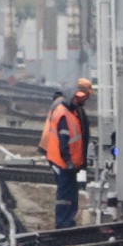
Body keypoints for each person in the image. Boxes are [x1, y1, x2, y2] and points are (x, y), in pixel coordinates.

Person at [46, 90, 88, 229]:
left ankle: (68, 221)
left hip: (71, 163)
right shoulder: (64, 115)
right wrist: (68, 161)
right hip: (64, 163)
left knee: (71, 194)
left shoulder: (72, 113)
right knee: (64, 195)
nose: (79, 101)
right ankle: (62, 222)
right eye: (77, 99)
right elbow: (63, 141)